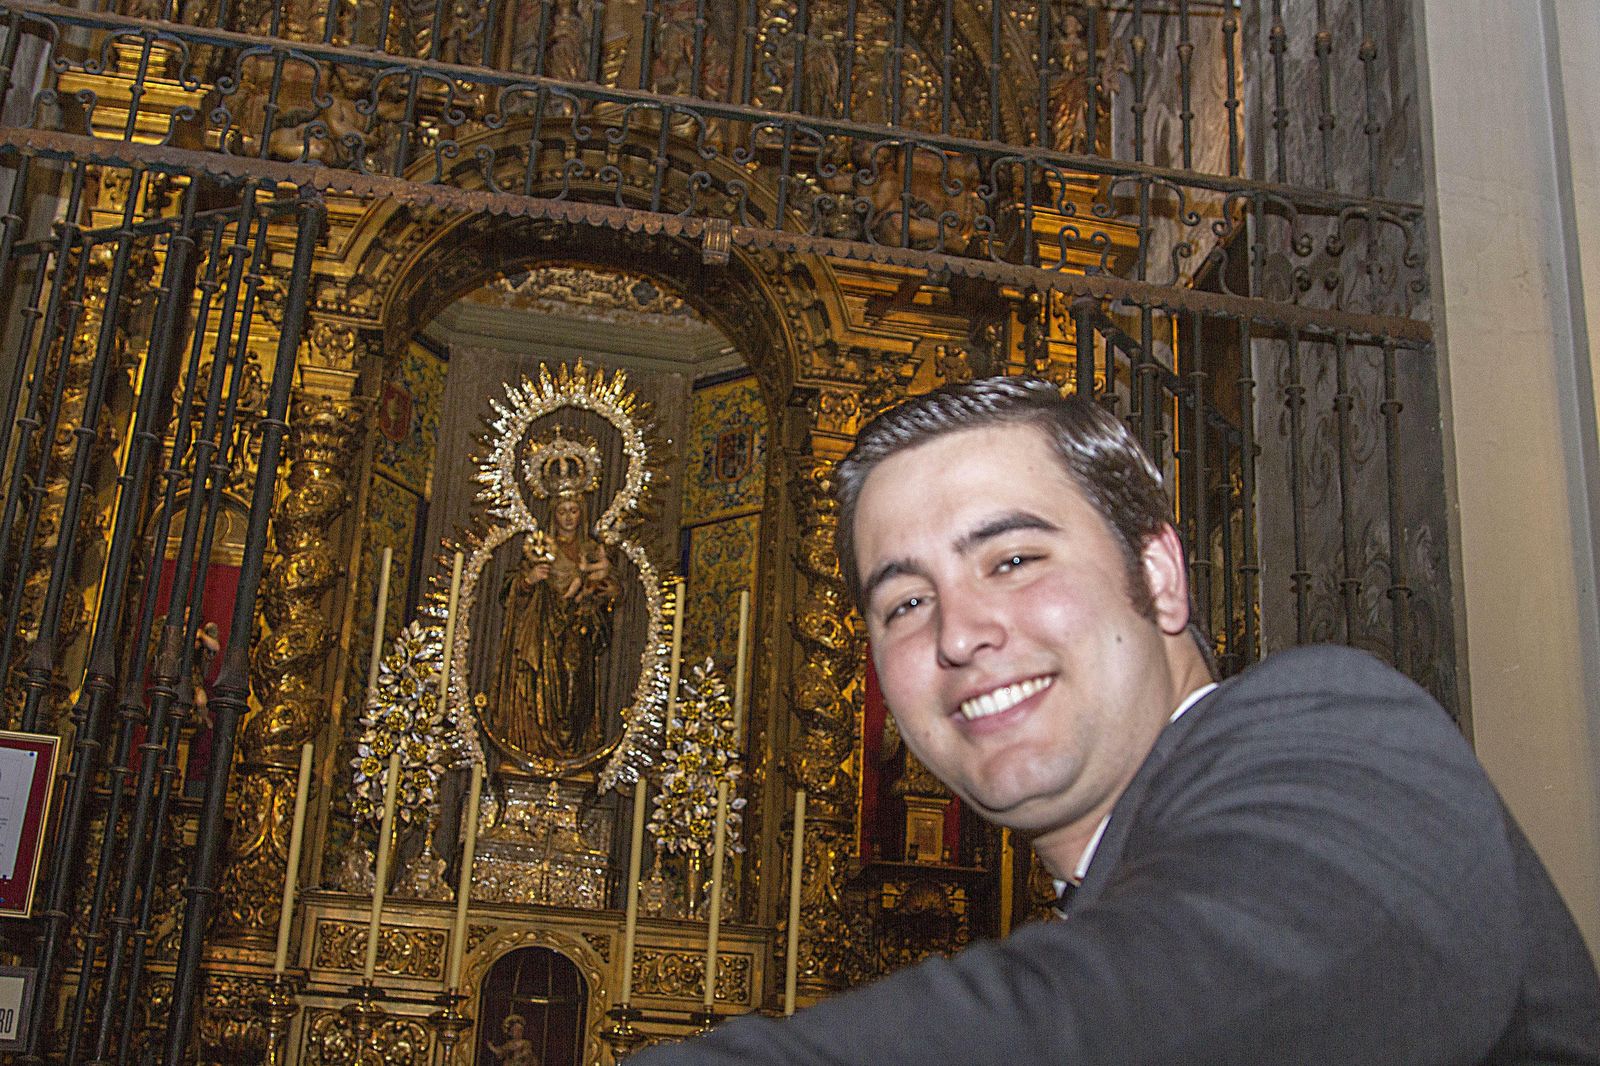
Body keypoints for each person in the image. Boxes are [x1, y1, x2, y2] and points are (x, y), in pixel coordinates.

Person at [632, 375, 1600, 1064]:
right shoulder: (1110, 904)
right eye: (905, 602)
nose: (958, 633)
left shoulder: (1345, 741)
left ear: (1159, 575)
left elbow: (1156, 1009)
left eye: (1013, 559)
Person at [490, 492, 620, 760]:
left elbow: (609, 590)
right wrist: (529, 579)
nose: (568, 518)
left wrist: (605, 591)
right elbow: (510, 588)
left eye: (573, 510)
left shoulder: (591, 550)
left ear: (582, 513)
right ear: (553, 514)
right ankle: (537, 746)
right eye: (562, 511)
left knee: (574, 690)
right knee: (541, 687)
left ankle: (571, 751)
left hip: (578, 631)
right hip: (543, 629)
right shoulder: (541, 548)